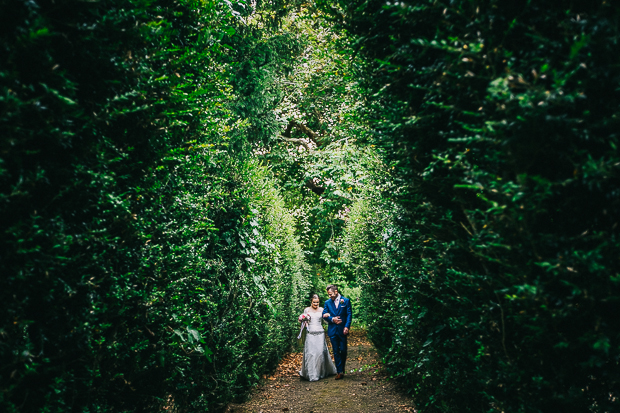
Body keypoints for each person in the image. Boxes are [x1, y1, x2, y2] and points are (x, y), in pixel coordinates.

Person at [298, 294, 337, 381]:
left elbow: (325, 321)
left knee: (320, 353)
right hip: (310, 333)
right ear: (311, 302)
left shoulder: (322, 310)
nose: (316, 304)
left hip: (320, 333)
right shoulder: (307, 310)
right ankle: (311, 374)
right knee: (311, 353)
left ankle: (320, 373)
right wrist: (303, 320)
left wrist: (330, 318)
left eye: (317, 302)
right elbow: (304, 323)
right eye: (314, 302)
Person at [322, 284, 352, 380]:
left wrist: (347, 326)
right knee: (335, 351)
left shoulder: (346, 301)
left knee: (343, 350)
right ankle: (339, 371)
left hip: (342, 330)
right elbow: (324, 314)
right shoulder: (327, 303)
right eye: (328, 294)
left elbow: (349, 314)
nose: (329, 296)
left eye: (330, 294)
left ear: (336, 291)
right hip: (332, 330)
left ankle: (342, 368)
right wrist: (332, 319)